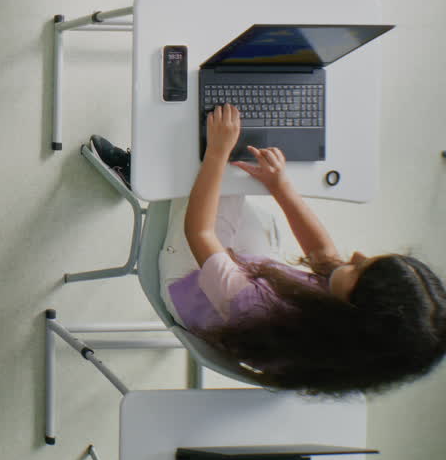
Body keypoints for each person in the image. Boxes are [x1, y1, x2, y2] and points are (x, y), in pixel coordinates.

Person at [92, 105, 446, 394]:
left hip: (189, 279)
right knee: (233, 174)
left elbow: (198, 233)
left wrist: (216, 152)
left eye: (360, 270)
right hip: (250, 276)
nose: (354, 257)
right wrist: (281, 186)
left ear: (353, 312)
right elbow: (324, 254)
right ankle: (185, 168)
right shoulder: (343, 333)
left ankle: (135, 172)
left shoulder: (257, 311)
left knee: (212, 169)